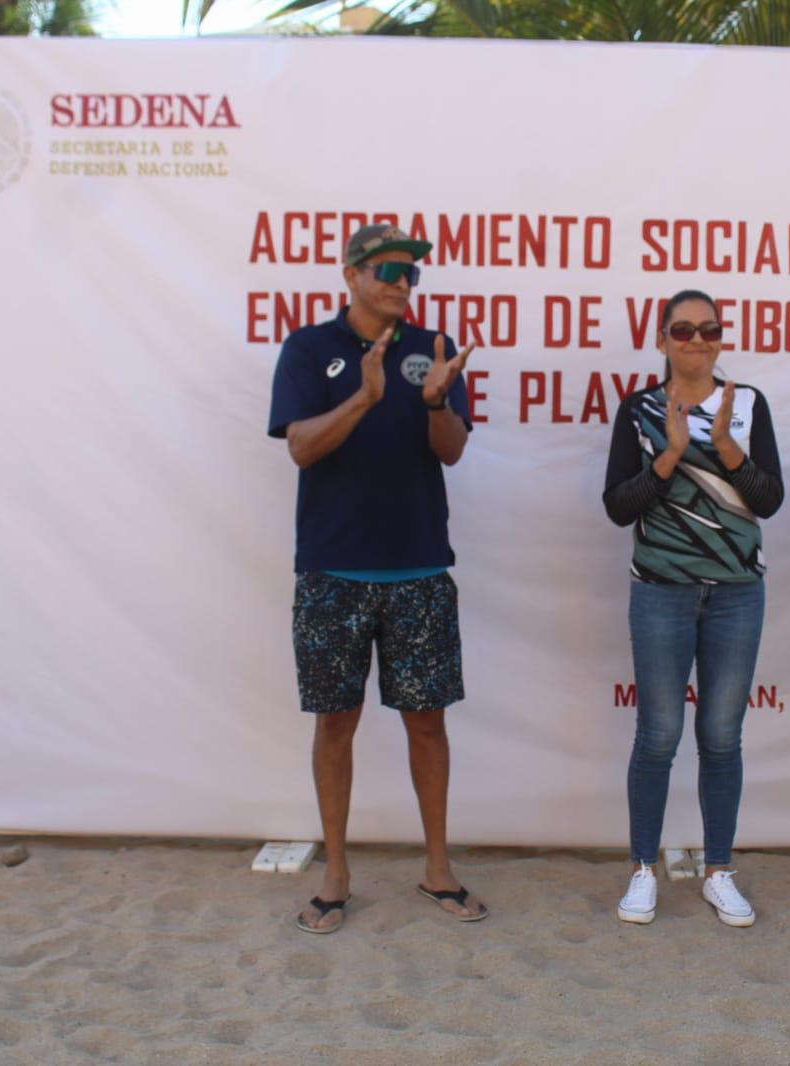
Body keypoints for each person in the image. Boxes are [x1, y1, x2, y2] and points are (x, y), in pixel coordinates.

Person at [268, 223, 485, 934]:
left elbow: (450, 453)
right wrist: (363, 396)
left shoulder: (435, 351)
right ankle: (335, 874)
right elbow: (300, 447)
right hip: (332, 570)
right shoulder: (308, 348)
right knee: (336, 722)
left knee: (427, 724)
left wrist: (431, 403)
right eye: (388, 268)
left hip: (419, 567)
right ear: (350, 273)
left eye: (411, 273)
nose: (401, 281)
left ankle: (437, 869)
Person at [603, 289, 784, 928]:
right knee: (658, 736)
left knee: (720, 737)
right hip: (661, 592)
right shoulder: (639, 409)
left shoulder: (749, 406)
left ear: (721, 337)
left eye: (709, 329)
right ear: (662, 339)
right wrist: (672, 453)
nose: (697, 340)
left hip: (736, 594)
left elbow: (769, 500)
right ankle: (642, 870)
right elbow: (618, 505)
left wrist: (729, 452)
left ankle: (718, 870)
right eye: (683, 330)